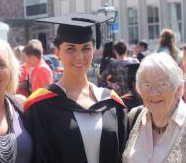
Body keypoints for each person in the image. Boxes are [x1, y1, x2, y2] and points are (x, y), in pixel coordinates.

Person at [24, 13, 128, 163]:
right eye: (70, 49)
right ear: (57, 52)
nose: (79, 57)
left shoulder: (112, 104)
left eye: (86, 48)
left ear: (93, 50)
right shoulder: (40, 106)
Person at [122, 53, 186, 163]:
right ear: (139, 91)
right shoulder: (134, 117)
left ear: (177, 90)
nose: (154, 93)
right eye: (147, 85)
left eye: (162, 84)